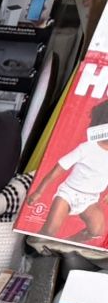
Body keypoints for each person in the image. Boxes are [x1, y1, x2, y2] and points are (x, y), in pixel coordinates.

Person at [32, 96, 108, 244]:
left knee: (97, 231)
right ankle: (38, 246)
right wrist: (38, 192)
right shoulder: (86, 148)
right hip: (68, 194)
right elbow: (58, 169)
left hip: (91, 199)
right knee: (49, 231)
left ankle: (66, 244)